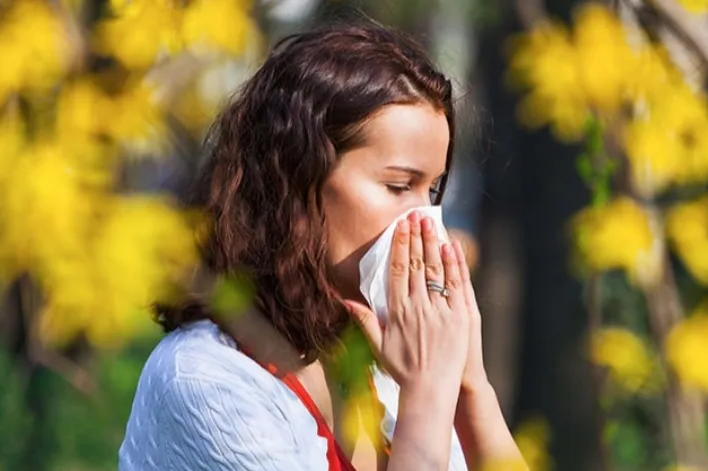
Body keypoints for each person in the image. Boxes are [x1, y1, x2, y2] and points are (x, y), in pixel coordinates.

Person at [118, 21, 526, 471]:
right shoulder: (206, 381)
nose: (428, 225)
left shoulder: (384, 363)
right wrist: (428, 395)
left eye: (431, 193)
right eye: (397, 185)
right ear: (296, 179)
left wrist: (470, 388)